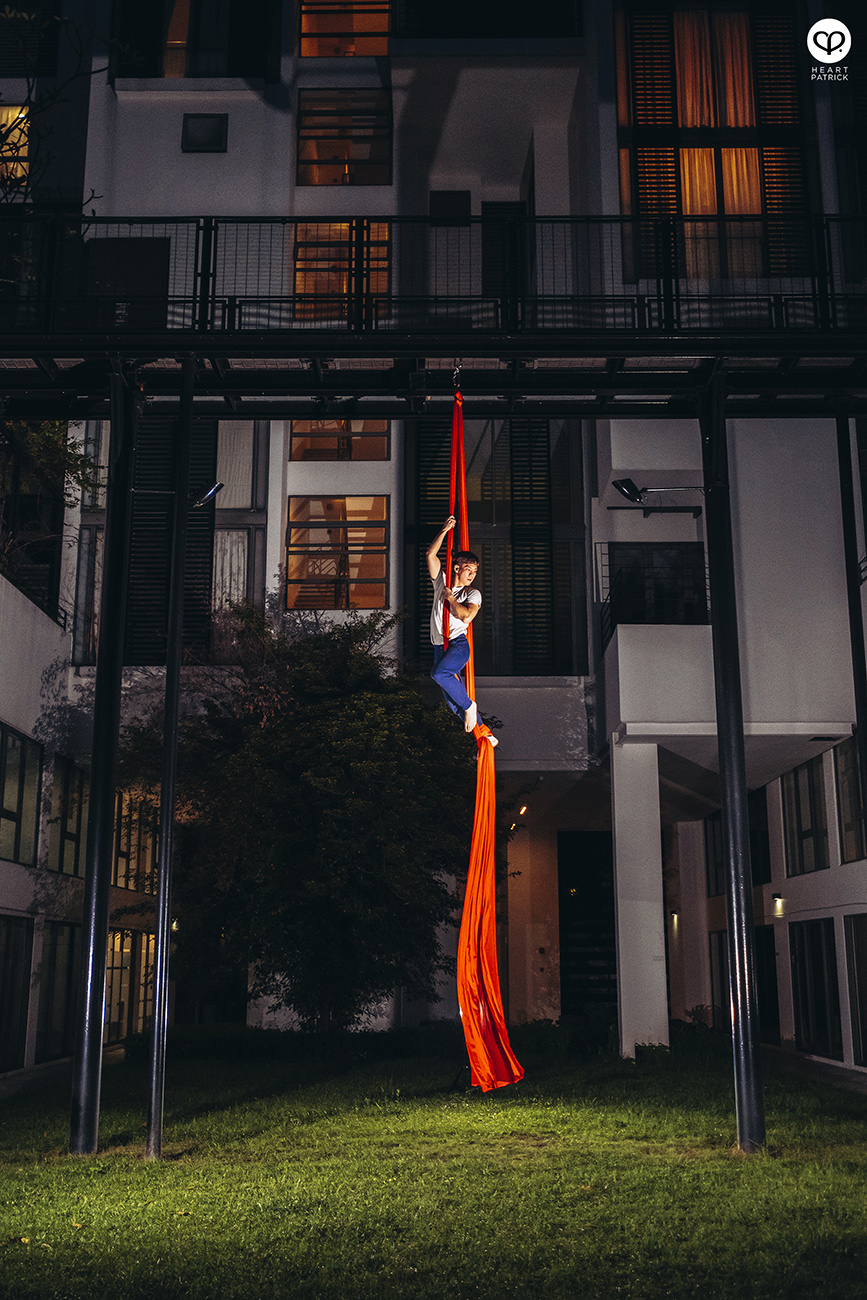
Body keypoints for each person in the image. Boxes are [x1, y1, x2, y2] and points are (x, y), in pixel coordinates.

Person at [426, 515, 496, 745]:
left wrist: (450, 598)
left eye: (475, 571)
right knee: (451, 700)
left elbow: (465, 615)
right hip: (439, 645)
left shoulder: (472, 594)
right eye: (468, 569)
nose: (471, 575)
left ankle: (470, 706)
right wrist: (445, 530)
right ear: (457, 567)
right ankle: (484, 732)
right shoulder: (442, 580)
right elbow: (430, 555)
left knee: (439, 675)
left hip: (457, 644)